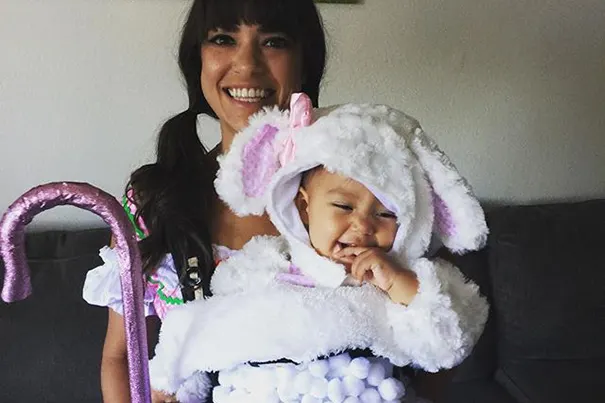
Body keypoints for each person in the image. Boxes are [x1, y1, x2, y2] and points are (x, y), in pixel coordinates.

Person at [147, 94, 489, 402]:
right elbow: (207, 324)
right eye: (343, 206)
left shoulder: (402, 281)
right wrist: (173, 377)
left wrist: (399, 282)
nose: (363, 226)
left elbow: (450, 340)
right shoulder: (266, 265)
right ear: (303, 206)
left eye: (386, 214)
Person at [82, 0, 326, 401]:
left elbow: (420, 333)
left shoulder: (355, 193)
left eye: (274, 41)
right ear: (197, 59)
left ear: (305, 63)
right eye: (223, 39)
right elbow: (122, 357)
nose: (246, 64)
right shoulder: (153, 201)